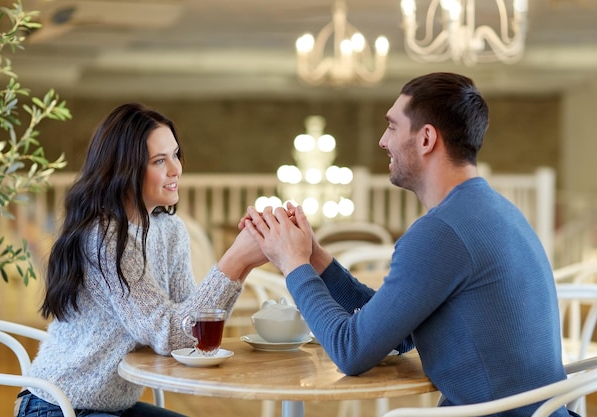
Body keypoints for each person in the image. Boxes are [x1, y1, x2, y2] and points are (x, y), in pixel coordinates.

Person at [242, 72, 575, 416]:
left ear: (426, 138)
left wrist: (293, 265)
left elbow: (350, 350)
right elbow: (396, 333)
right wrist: (314, 258)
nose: (383, 141)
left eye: (392, 127)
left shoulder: (440, 231)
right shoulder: (496, 209)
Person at [15, 103, 267, 417]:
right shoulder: (104, 237)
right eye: (159, 160)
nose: (176, 169)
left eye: (175, 154)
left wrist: (242, 266)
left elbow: (188, 332)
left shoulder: (171, 230)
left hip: (115, 407)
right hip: (58, 405)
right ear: (124, 169)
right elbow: (169, 333)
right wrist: (235, 260)